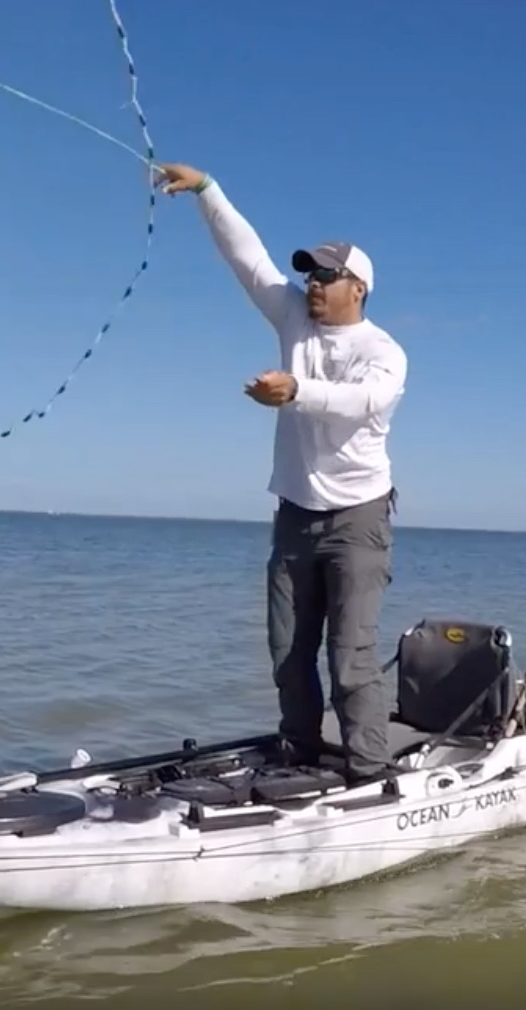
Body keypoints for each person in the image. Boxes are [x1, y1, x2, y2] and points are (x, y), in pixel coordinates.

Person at [156, 161, 408, 785]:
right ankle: (298, 752)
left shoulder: (385, 352)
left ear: (359, 288)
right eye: (309, 273)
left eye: (326, 274)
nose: (312, 284)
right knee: (288, 652)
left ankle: (371, 774)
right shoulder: (295, 319)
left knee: (350, 658)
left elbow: (362, 403)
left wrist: (296, 389)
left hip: (358, 518)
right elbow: (248, 258)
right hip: (295, 513)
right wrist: (207, 191)